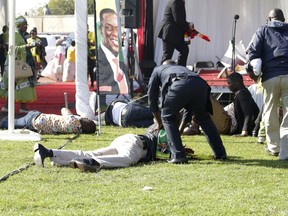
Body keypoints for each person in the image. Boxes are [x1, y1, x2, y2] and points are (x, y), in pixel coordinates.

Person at [148, 60, 227, 164]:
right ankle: (221, 154)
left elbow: (152, 97)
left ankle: (178, 155)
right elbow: (188, 108)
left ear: (163, 65)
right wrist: (180, 130)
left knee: (167, 118)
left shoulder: (158, 69)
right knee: (204, 118)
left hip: (179, 83)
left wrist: (159, 123)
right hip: (200, 84)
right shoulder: (184, 69)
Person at [33, 127, 195, 172]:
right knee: (126, 159)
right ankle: (91, 163)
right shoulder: (166, 133)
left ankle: (48, 152)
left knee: (92, 151)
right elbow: (178, 153)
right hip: (137, 143)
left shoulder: (161, 131)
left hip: (126, 139)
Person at [246, 8, 288, 159]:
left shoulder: (263, 30)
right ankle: (286, 149)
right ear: (283, 19)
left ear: (269, 19)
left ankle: (274, 147)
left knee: (270, 111)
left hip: (271, 77)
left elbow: (253, 52)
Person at [0, 16, 37, 113]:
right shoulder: (15, 34)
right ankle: (12, 107)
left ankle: (12, 107)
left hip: (21, 64)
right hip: (16, 65)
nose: (26, 27)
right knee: (18, 85)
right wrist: (27, 46)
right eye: (24, 25)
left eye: (26, 25)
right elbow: (13, 49)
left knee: (21, 85)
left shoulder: (20, 34)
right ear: (19, 25)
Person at [98, 8, 129, 95]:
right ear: (101, 30)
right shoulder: (100, 59)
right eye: (109, 28)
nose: (115, 33)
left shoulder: (121, 59)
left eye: (117, 28)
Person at [0, 107, 96, 134]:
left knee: (14, 123)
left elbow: (64, 110)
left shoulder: (73, 120)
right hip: (38, 123)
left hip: (37, 118)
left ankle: (3, 122)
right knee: (18, 123)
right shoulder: (76, 130)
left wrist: (75, 116)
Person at [158, 0, 194, 66]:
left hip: (174, 33)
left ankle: (180, 70)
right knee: (167, 56)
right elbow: (178, 20)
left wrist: (188, 26)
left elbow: (179, 20)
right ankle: (160, 74)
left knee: (184, 50)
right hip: (169, 33)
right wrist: (188, 26)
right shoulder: (176, 1)